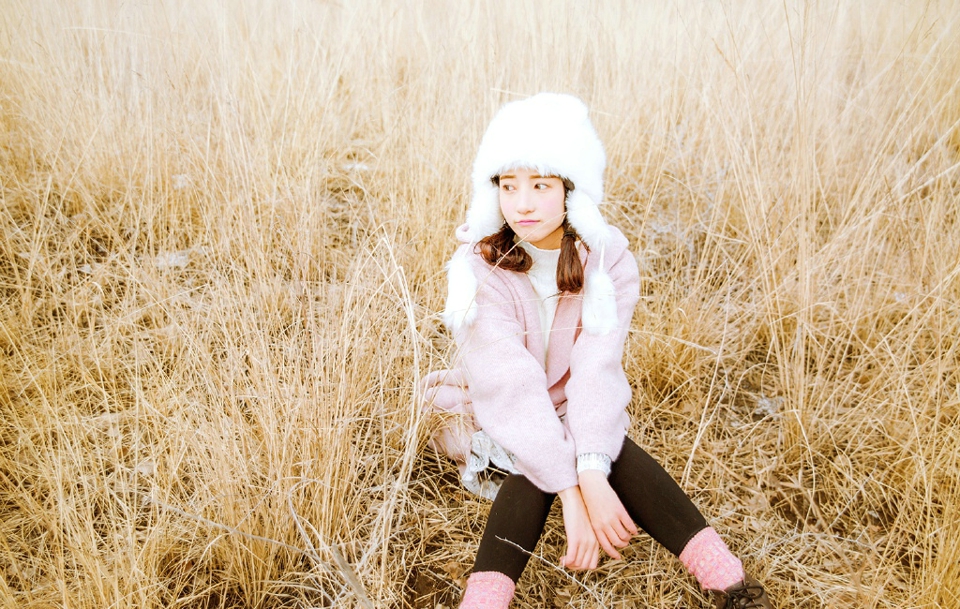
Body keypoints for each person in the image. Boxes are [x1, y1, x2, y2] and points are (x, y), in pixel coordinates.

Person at [421, 93, 774, 609]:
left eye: (540, 185)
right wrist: (572, 494)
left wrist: (591, 468)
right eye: (508, 185)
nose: (521, 203)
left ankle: (732, 588)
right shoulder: (480, 270)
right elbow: (512, 387)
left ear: (569, 190)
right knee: (532, 460)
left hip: (571, 404)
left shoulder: (607, 264)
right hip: (499, 412)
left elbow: (595, 370)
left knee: (610, 451)